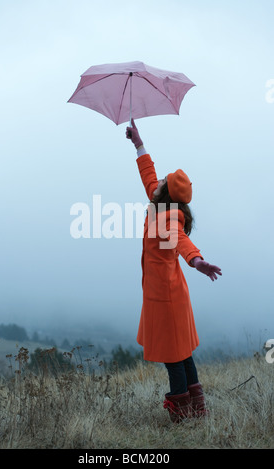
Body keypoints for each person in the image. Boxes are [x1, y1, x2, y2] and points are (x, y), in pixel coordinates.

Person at [126, 119, 222, 423]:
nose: (160, 182)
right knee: (182, 353)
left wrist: (197, 261)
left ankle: (181, 412)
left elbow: (181, 241)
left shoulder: (168, 219)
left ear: (167, 192)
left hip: (166, 297)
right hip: (169, 294)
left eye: (164, 181)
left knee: (173, 357)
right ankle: (198, 409)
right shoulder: (160, 204)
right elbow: (148, 176)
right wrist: (138, 143)